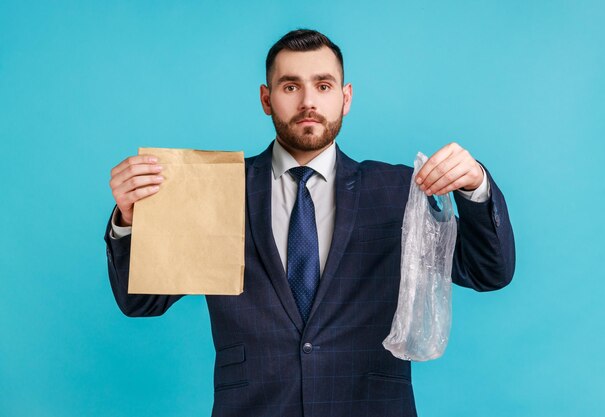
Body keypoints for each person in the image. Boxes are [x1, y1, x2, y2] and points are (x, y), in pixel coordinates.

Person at [104, 29, 515, 417]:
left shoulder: (396, 191)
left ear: (345, 97)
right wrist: (127, 219)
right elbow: (141, 302)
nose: (307, 102)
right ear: (266, 98)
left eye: (323, 86)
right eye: (289, 86)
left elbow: (486, 271)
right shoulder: (215, 190)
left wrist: (475, 186)